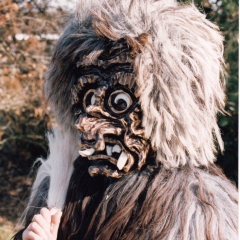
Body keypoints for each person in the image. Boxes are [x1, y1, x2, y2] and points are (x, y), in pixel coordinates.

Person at [14, 0, 238, 239]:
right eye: (88, 98)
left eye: (119, 103)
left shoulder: (197, 214)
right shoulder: (62, 187)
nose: (87, 123)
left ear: (166, 107)